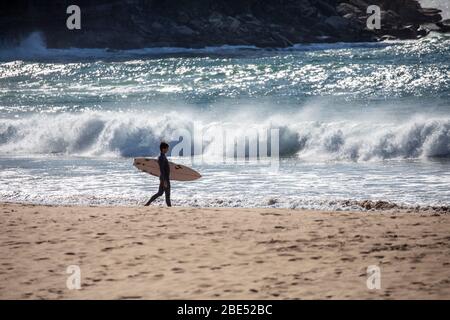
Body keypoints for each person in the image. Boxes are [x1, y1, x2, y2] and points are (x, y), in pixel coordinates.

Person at [144, 142, 171, 207]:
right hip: (164, 178)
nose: (168, 149)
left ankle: (147, 204)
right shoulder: (161, 157)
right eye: (167, 148)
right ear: (163, 149)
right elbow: (161, 169)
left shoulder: (163, 156)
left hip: (163, 177)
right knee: (167, 194)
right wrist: (164, 180)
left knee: (160, 193)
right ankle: (170, 208)